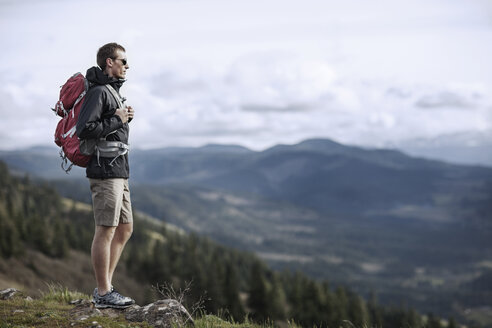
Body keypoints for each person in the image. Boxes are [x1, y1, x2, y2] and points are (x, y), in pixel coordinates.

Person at [76, 42, 135, 309]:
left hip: (118, 170)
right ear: (109, 62)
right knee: (106, 229)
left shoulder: (111, 92)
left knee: (124, 229)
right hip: (104, 171)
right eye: (123, 61)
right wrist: (118, 120)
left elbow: (108, 126)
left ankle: (106, 288)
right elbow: (85, 129)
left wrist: (124, 117)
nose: (126, 66)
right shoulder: (99, 91)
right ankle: (103, 292)